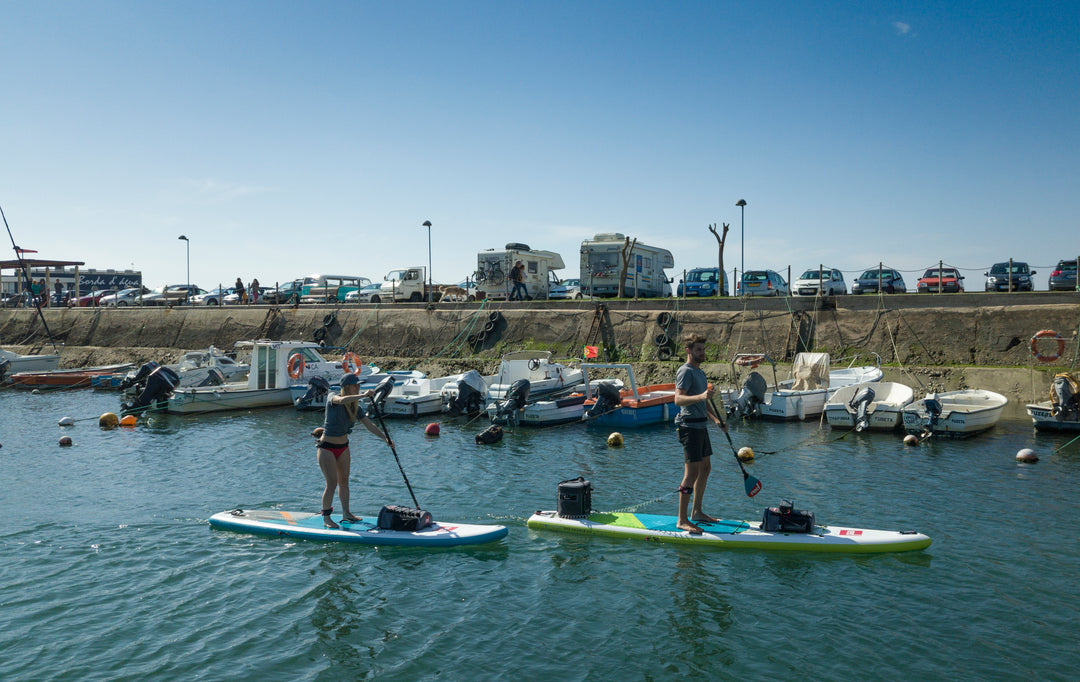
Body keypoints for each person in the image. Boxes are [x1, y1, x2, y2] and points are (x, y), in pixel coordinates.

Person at [309, 373, 392, 528]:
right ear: (347, 387)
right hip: (327, 448)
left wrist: (385, 438)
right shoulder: (333, 397)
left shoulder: (356, 407)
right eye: (355, 385)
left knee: (344, 482)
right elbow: (341, 400)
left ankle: (346, 513)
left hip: (343, 448)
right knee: (332, 483)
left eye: (359, 385)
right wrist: (362, 395)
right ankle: (327, 518)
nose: (358, 387)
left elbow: (369, 425)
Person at [673, 332, 727, 534]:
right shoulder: (685, 371)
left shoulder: (700, 372)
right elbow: (678, 400)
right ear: (689, 351)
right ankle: (681, 519)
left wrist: (716, 420)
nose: (703, 353)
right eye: (698, 350)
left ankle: (697, 512)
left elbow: (703, 403)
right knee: (691, 474)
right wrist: (701, 395)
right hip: (689, 428)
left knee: (706, 468)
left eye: (703, 349)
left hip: (701, 426)